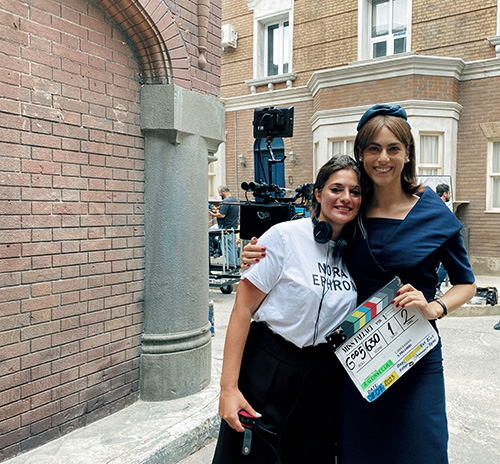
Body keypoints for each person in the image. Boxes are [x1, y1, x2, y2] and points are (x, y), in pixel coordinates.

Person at [242, 104, 476, 464]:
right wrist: (257, 252)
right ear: (362, 155)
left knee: (421, 451)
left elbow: (466, 283)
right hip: (357, 359)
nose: (383, 158)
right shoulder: (352, 210)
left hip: (414, 355)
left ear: (408, 153)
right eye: (373, 149)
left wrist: (436, 307)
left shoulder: (434, 213)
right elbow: (306, 244)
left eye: (393, 148)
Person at [212, 156, 363, 463]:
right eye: (337, 188)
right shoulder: (284, 237)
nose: (346, 198)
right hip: (269, 366)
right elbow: (242, 308)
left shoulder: (357, 252)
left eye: (355, 191)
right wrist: (228, 388)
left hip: (322, 374)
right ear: (318, 194)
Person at [209, 186, 239, 266]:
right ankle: (235, 266)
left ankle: (229, 267)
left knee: (226, 249)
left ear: (223, 191)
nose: (219, 195)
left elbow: (222, 215)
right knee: (233, 248)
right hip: (233, 228)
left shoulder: (226, 201)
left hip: (225, 229)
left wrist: (213, 214)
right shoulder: (234, 200)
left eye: (219, 193)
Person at [435, 183, 451, 293]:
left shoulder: (433, 204)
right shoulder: (441, 207)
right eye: (449, 193)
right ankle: (436, 286)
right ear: (445, 194)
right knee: (446, 263)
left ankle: (435, 286)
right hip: (439, 239)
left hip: (435, 239)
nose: (450, 195)